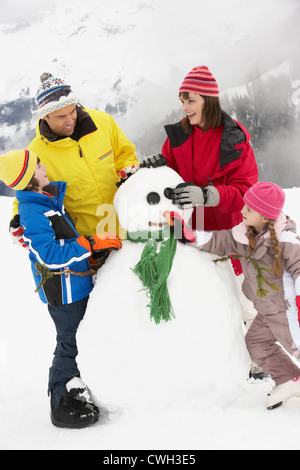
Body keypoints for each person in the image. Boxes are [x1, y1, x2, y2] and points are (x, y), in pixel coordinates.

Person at [142, 65, 262, 377]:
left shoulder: (233, 139)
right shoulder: (180, 135)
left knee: (243, 297)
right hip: (190, 232)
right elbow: (169, 168)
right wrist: (158, 166)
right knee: (201, 294)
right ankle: (211, 356)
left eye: (190, 100)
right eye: (182, 100)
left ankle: (259, 358)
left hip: (228, 231)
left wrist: (208, 196)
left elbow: (246, 191)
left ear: (208, 100)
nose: (184, 107)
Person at [0, 149, 122, 428]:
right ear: (29, 178)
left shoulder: (45, 201)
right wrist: (89, 245)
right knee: (69, 343)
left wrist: (90, 249)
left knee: (78, 338)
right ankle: (61, 402)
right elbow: (49, 254)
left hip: (75, 283)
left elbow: (66, 239)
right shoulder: (33, 211)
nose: (44, 168)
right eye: (38, 166)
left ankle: (76, 387)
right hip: (64, 291)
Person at [166, 181, 300, 410]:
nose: (242, 211)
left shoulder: (285, 240)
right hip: (265, 311)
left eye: (249, 208)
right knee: (256, 342)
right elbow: (219, 241)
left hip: (287, 310)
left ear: (265, 216)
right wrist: (190, 236)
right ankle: (289, 378)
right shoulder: (243, 236)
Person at [10, 72, 139, 246]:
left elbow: (124, 154)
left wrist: (129, 169)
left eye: (72, 111)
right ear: (44, 117)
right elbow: (27, 194)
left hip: (127, 225)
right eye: (61, 117)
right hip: (89, 241)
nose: (70, 120)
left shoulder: (103, 122)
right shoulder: (36, 153)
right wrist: (18, 218)